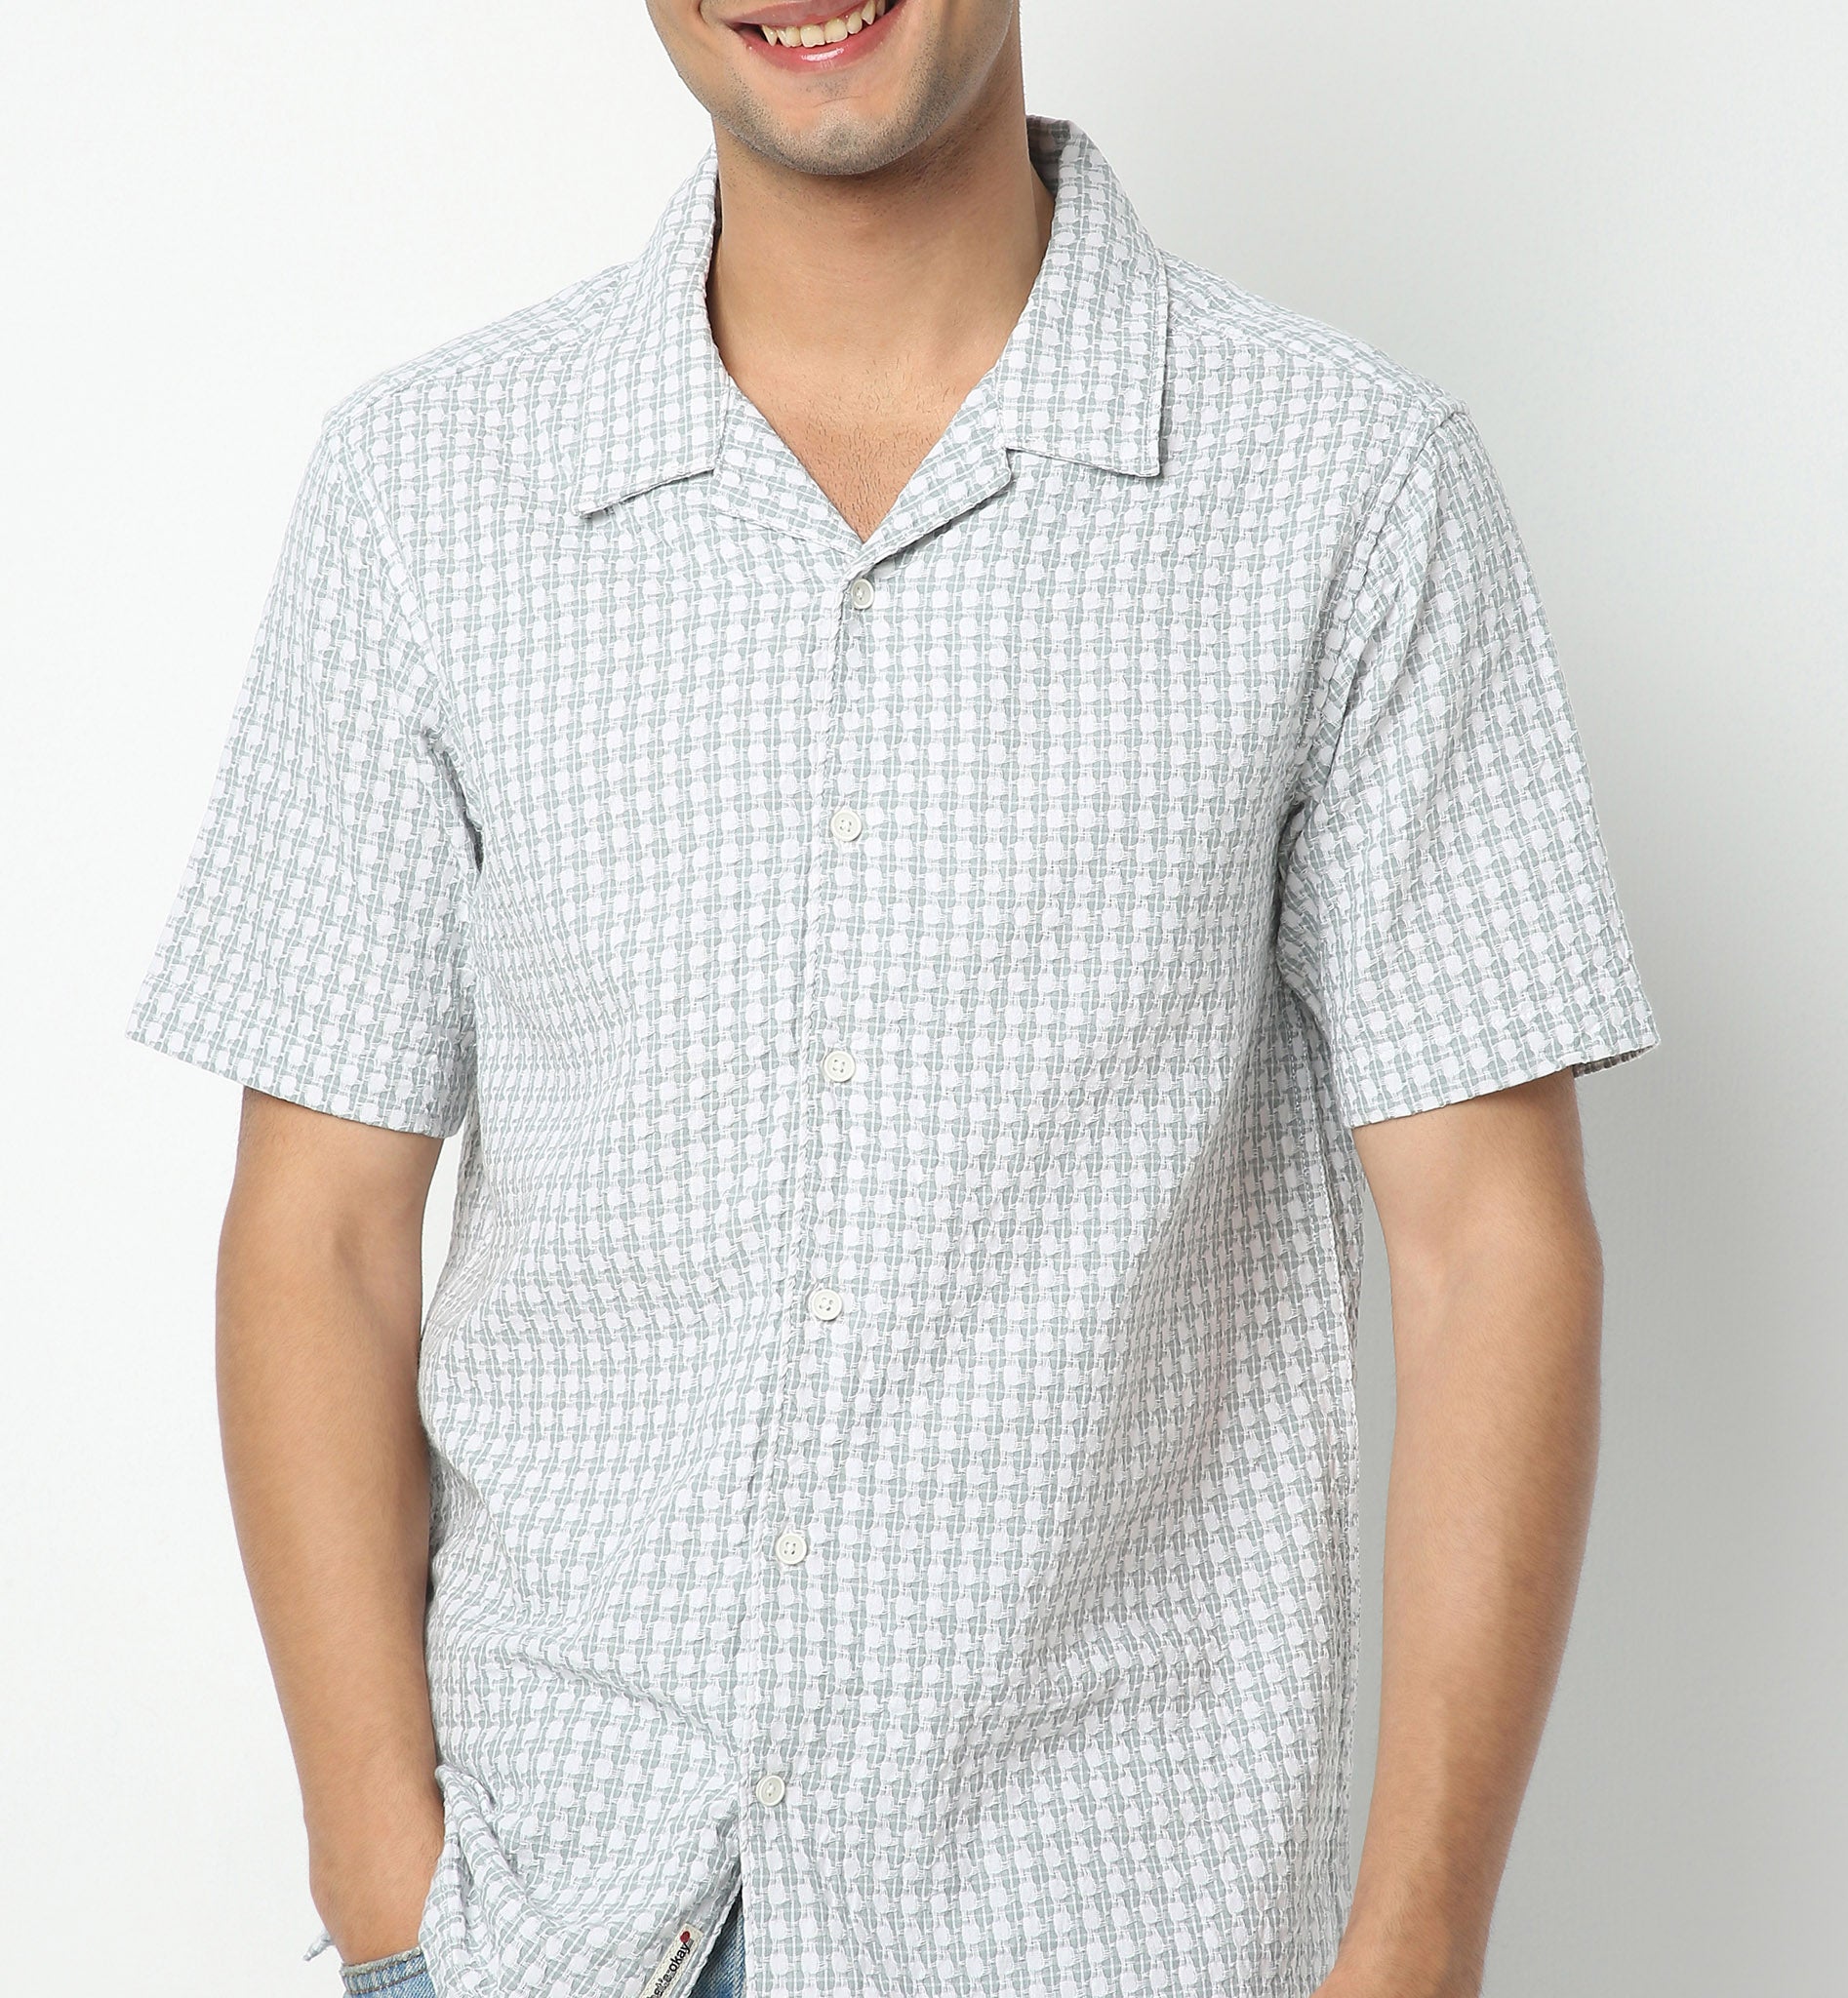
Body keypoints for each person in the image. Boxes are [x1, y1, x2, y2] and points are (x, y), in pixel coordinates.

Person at [128, 3, 1660, 1995]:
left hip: (1119, 1930)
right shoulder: (426, 487)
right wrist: (386, 1884)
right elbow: (320, 1228)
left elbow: (1489, 1247)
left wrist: (1416, 1949)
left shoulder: (1348, 483)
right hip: (555, 1920)